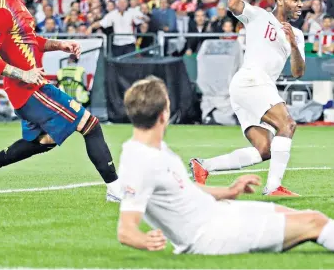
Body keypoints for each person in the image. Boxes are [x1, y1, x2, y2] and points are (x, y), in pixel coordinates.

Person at [0, 0, 121, 202]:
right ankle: (117, 191)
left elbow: (30, 40)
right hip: (28, 90)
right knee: (90, 125)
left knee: (43, 141)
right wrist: (23, 74)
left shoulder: (16, 2)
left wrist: (59, 44)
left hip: (33, 86)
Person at [117, 76, 334, 255]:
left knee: (299, 213)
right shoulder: (140, 160)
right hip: (211, 235)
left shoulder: (154, 149)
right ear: (164, 114)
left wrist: (229, 191)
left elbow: (185, 188)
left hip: (218, 214)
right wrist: (145, 241)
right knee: (314, 222)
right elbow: (126, 230)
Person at [190, 0, 306, 196]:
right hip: (252, 79)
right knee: (288, 124)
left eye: (301, 0)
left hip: (253, 87)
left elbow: (297, 72)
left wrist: (293, 44)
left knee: (265, 149)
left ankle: (204, 166)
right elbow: (232, 4)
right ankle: (274, 187)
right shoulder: (259, 16)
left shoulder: (298, 35)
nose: (300, 4)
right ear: (282, 0)